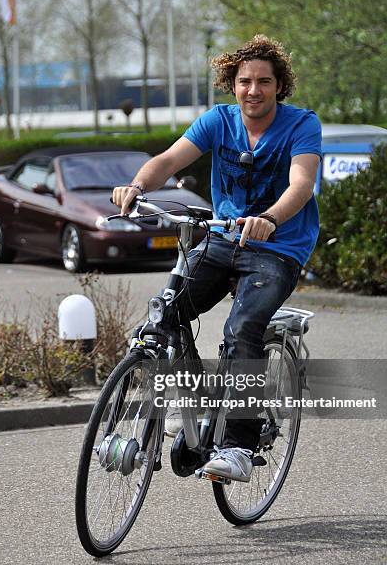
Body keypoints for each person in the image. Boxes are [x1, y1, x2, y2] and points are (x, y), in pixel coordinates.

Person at [112, 34, 322, 483]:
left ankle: (240, 445)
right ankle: (186, 400)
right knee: (162, 317)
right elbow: (168, 160)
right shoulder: (218, 121)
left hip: (276, 248)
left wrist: (269, 217)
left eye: (264, 81)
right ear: (233, 84)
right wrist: (137, 186)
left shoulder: (302, 125)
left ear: (279, 86)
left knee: (242, 329)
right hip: (222, 239)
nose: (253, 90)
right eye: (245, 81)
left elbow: (301, 184)